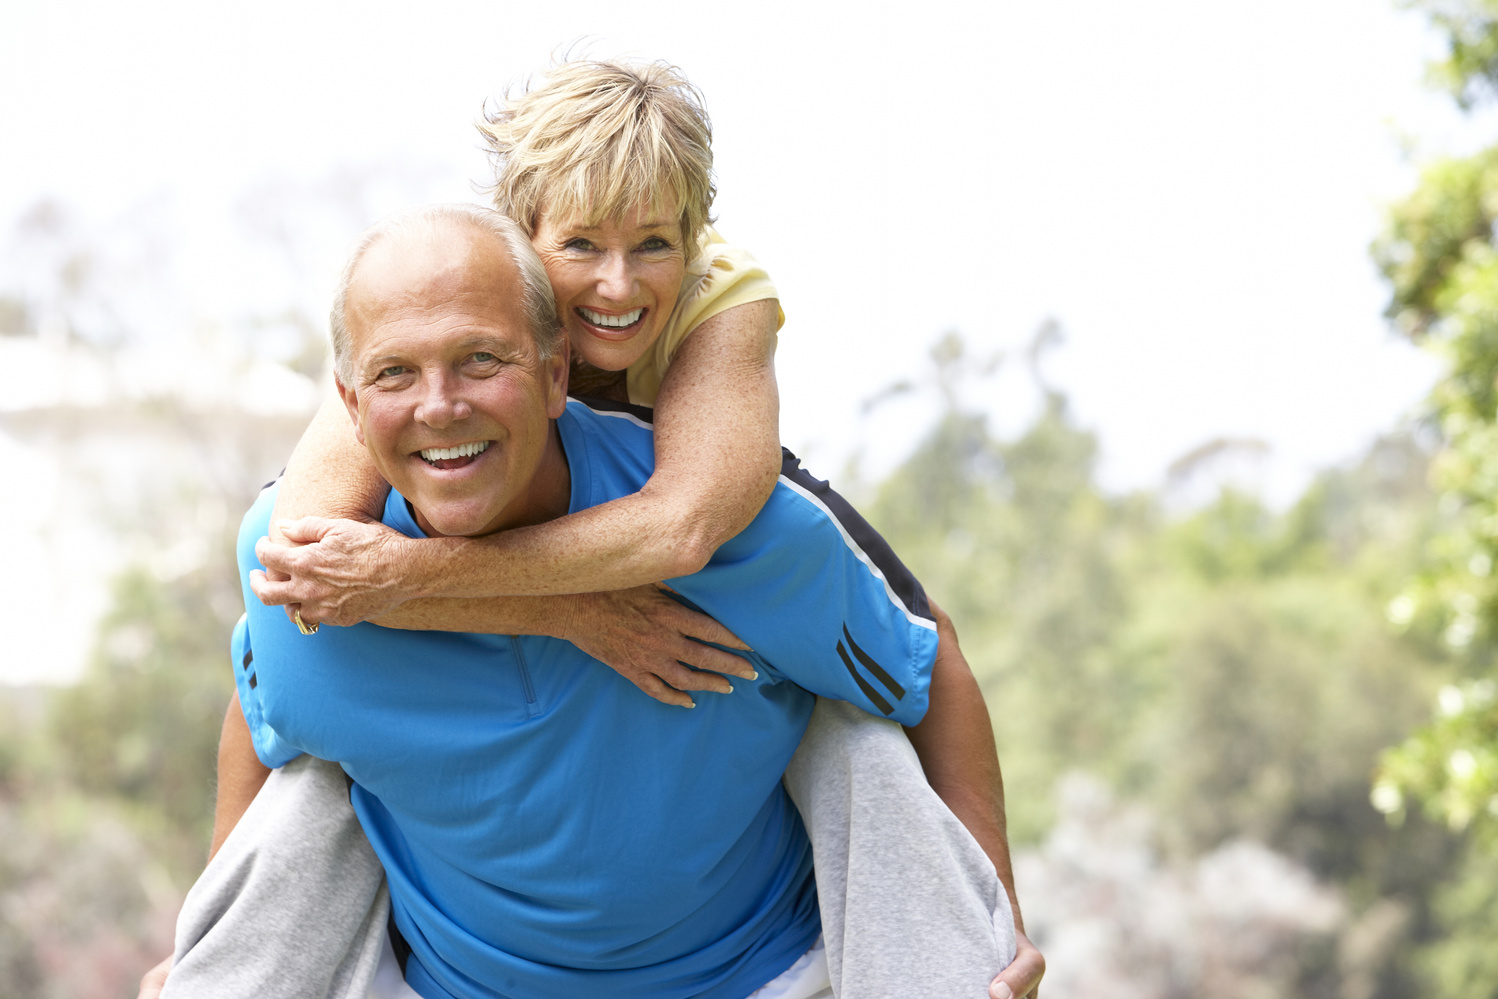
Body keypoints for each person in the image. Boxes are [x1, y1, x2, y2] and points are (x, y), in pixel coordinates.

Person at [168, 205, 1018, 998]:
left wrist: (998, 930)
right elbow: (270, 708)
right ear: (352, 406)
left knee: (857, 736)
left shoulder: (744, 530)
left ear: (553, 376)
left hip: (761, 975)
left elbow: (919, 662)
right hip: (453, 984)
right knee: (311, 787)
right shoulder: (309, 566)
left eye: (479, 360)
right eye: (396, 373)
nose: (440, 405)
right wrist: (196, 952)